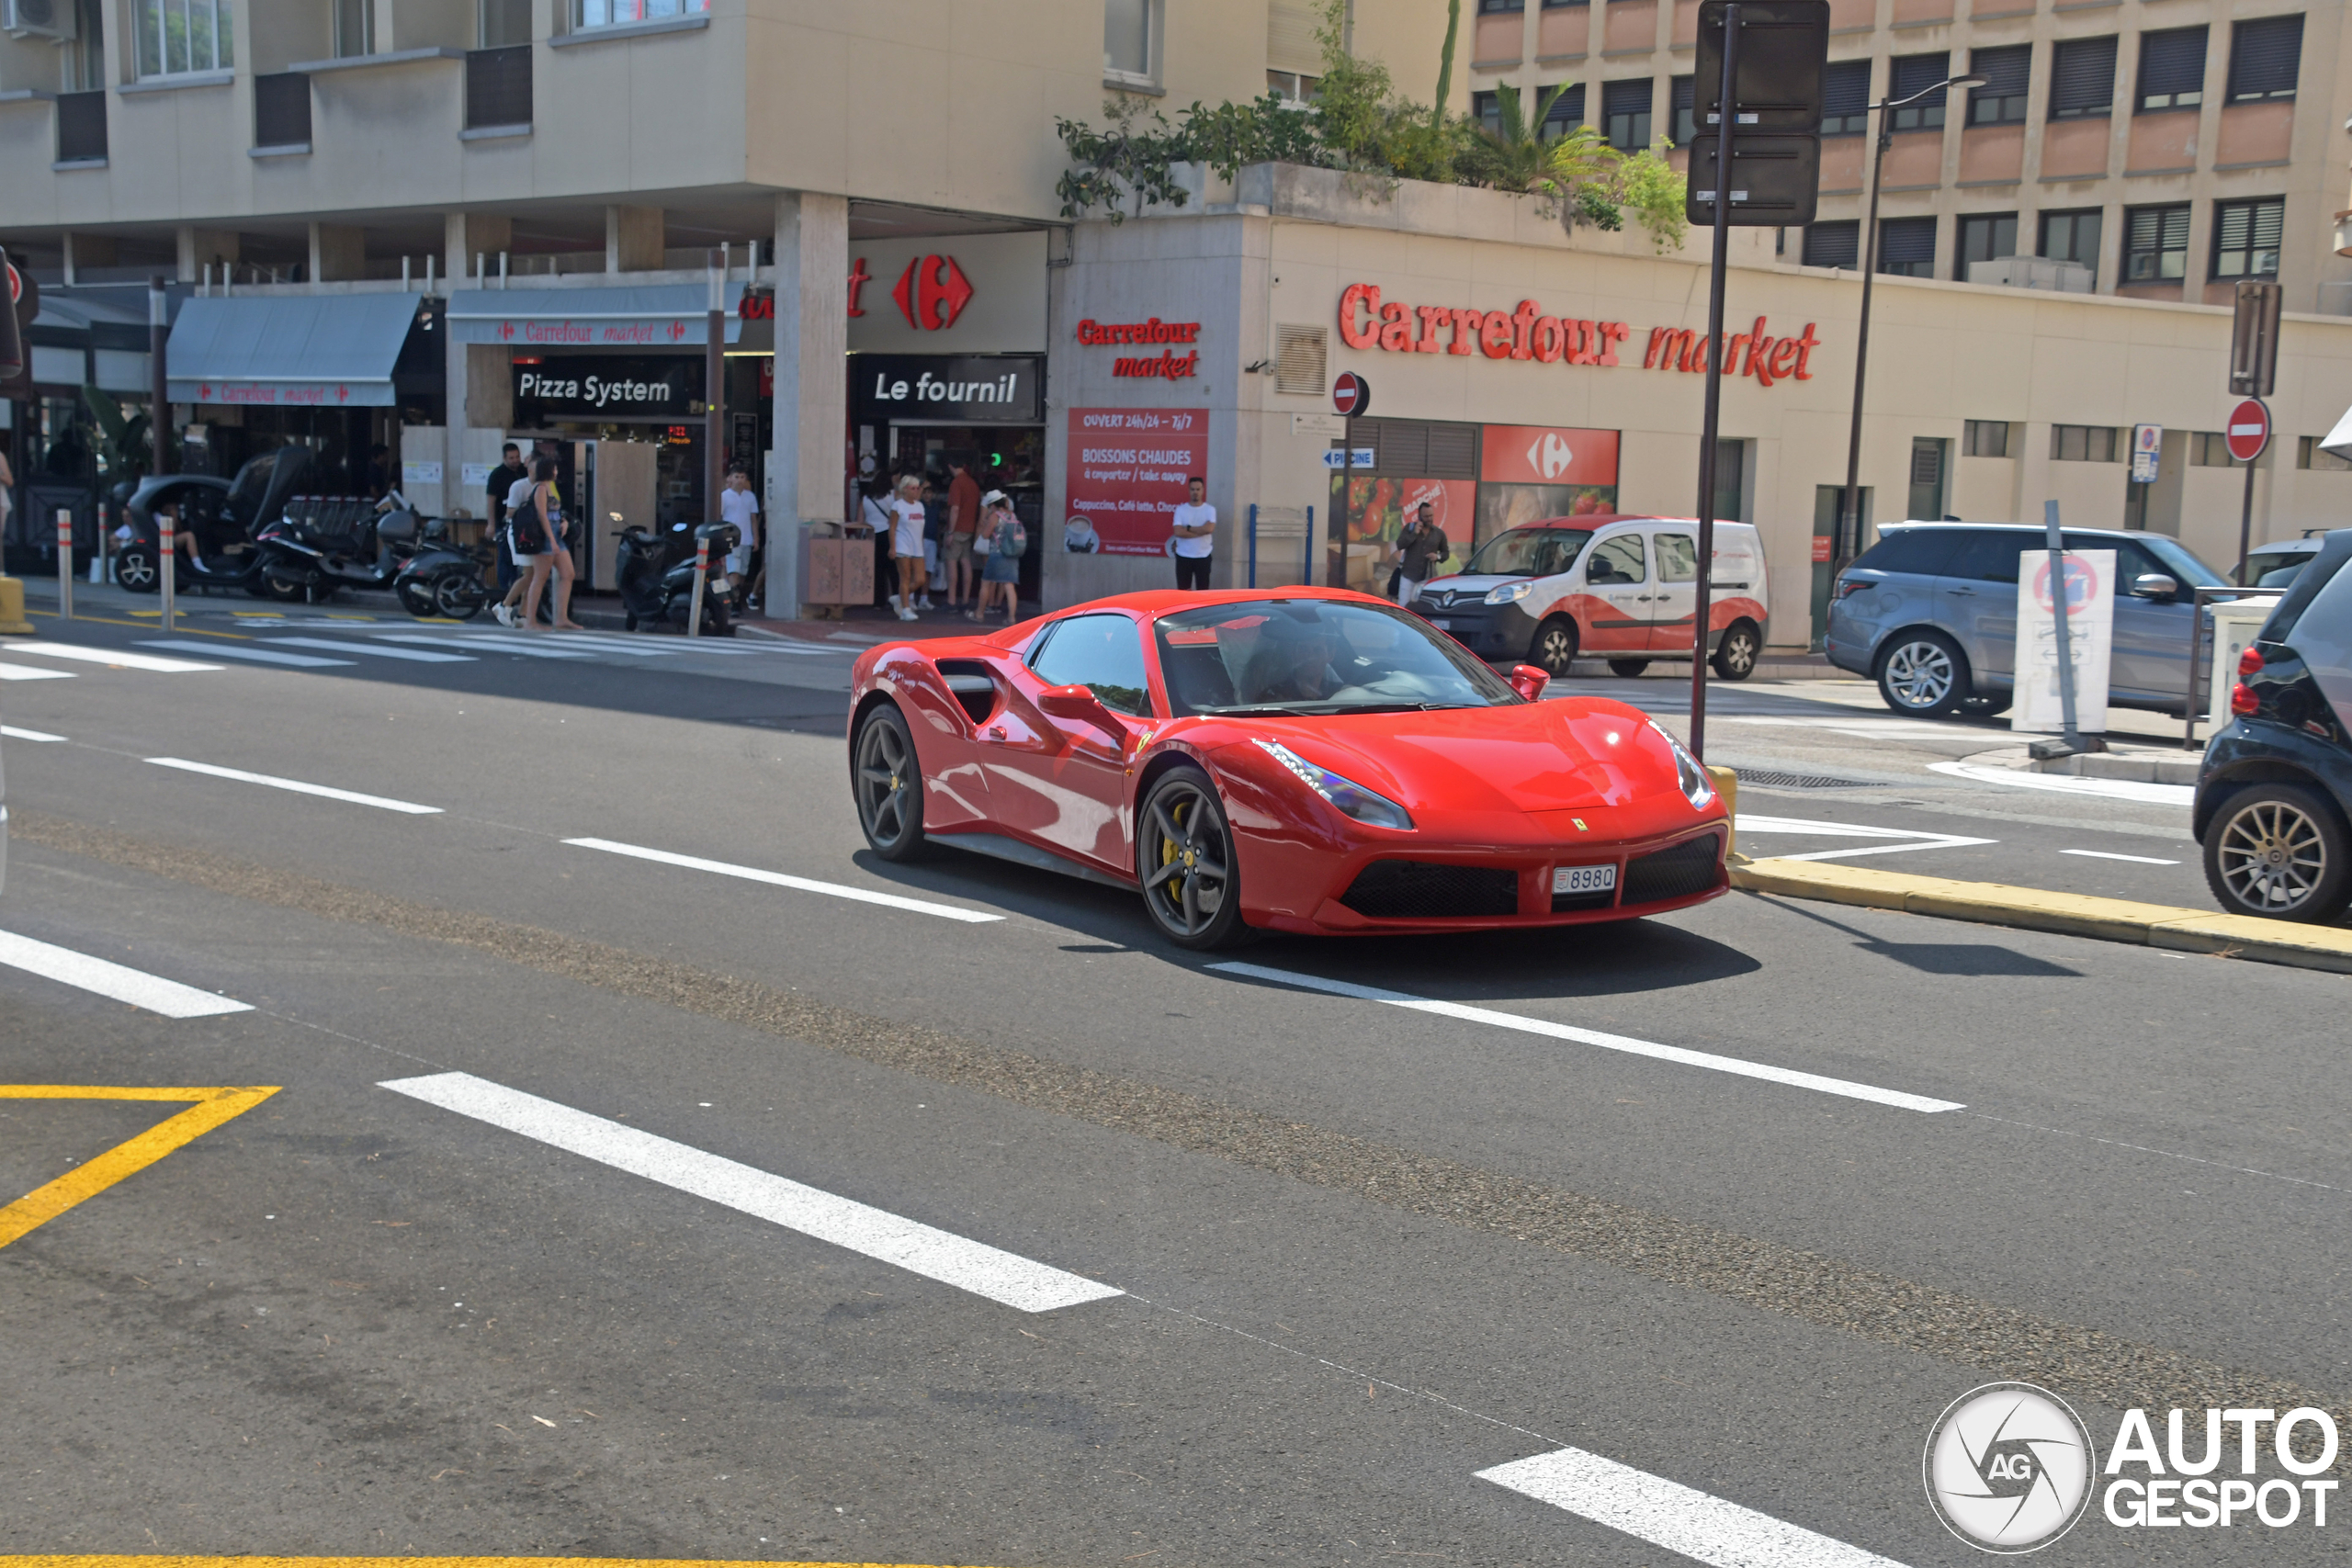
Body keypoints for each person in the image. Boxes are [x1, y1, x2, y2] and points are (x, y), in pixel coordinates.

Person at [508, 456, 583, 632]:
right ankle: (530, 621)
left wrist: (563, 522)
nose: (556, 471)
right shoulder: (541, 489)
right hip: (546, 538)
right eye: (554, 468)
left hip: (556, 535)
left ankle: (561, 617)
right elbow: (542, 515)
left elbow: (555, 512)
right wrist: (551, 538)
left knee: (568, 573)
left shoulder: (550, 488)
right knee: (540, 577)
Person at [485, 443, 527, 624]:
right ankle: (505, 592)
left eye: (517, 457)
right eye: (511, 458)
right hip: (505, 524)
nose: (515, 461)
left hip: (524, 525)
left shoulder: (525, 472)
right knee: (505, 559)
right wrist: (491, 524)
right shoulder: (497, 475)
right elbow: (491, 501)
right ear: (504, 458)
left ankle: (514, 596)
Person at [972, 491, 1022, 624]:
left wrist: (985, 525)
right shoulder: (1012, 515)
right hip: (1011, 554)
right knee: (1009, 585)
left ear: (993, 505)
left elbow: (985, 535)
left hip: (997, 554)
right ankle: (1011, 617)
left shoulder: (995, 516)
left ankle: (979, 614)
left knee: (986, 583)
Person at [718, 465, 760, 610]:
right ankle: (733, 603)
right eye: (737, 477)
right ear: (730, 478)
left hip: (746, 539)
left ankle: (734, 595)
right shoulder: (724, 496)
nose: (740, 480)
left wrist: (756, 538)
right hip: (731, 539)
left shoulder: (750, 497)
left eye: (742, 477)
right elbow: (720, 517)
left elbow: (753, 519)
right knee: (733, 570)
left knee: (743, 572)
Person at [944, 457, 982, 611]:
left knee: (951, 561)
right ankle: (965, 600)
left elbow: (955, 509)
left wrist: (951, 531)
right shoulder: (973, 483)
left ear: (950, 465)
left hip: (958, 528)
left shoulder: (956, 483)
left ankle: (951, 601)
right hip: (970, 528)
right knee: (966, 562)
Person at [1393, 501, 1450, 605]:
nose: (1429, 519)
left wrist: (1437, 556)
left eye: (1431, 515)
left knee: (1423, 608)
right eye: (1426, 516)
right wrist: (1414, 534)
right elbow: (1400, 545)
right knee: (1404, 607)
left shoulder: (1439, 533)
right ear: (1419, 516)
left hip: (1427, 579)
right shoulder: (1410, 528)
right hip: (1408, 576)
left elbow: (1446, 553)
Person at [888, 475, 926, 620]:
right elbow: (892, 528)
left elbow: (921, 527)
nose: (916, 491)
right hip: (903, 544)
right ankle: (906, 609)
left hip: (917, 546)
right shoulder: (898, 506)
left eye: (918, 488)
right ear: (905, 489)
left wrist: (921, 545)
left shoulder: (920, 506)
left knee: (920, 579)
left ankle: (900, 597)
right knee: (905, 577)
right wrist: (893, 547)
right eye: (913, 488)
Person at [1170, 475, 1215, 591]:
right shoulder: (1181, 510)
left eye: (1198, 489)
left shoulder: (1210, 510)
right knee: (1183, 592)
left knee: (1203, 591)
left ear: (1203, 490)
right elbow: (1178, 532)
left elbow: (1209, 529)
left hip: (1203, 556)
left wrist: (1188, 528)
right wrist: (1201, 531)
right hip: (1183, 556)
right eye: (1193, 489)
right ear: (1189, 490)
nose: (1195, 492)